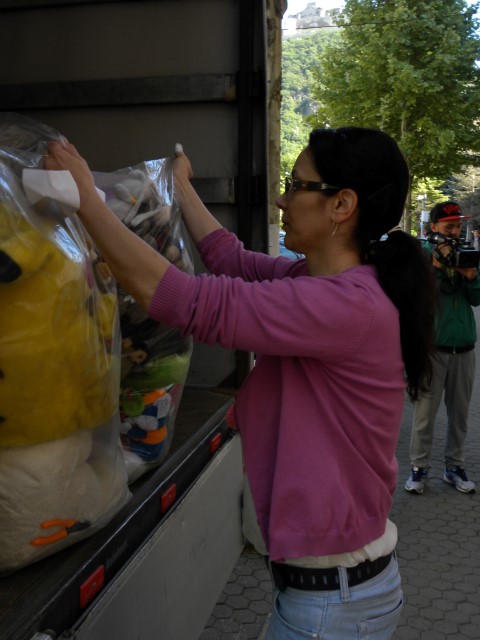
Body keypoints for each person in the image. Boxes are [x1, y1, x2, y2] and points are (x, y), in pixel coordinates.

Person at [45, 127, 435, 640]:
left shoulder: (346, 306)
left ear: (341, 204)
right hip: (334, 594)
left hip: (332, 606)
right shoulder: (317, 283)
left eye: (296, 185)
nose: (282, 199)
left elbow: (187, 303)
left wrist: (85, 202)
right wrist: (180, 185)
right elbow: (230, 259)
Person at [405, 201, 480, 495]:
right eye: (449, 226)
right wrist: (436, 268)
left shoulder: (467, 255)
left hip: (464, 348)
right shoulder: (421, 257)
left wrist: (471, 277)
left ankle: (454, 467)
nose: (455, 231)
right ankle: (419, 468)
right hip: (433, 348)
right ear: (433, 227)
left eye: (458, 226)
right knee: (425, 414)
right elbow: (416, 298)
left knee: (459, 415)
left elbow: (477, 298)